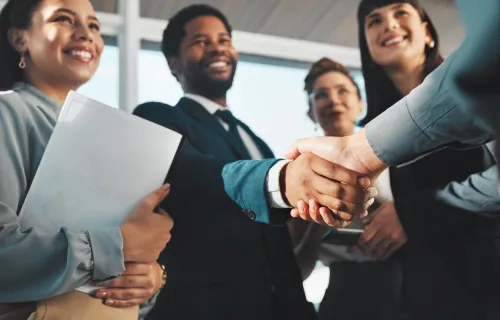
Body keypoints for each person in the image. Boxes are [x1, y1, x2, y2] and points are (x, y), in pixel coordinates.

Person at [132, 5, 377, 320]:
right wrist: (282, 180)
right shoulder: (157, 116)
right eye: (200, 41)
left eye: (223, 39)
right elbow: (191, 173)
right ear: (174, 63)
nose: (217, 47)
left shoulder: (255, 140)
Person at [0, 0, 174, 319]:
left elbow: (127, 259)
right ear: (19, 39)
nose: (85, 34)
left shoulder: (107, 136)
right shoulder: (6, 113)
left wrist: (148, 279)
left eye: (94, 26)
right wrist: (117, 246)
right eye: (64, 19)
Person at [288, 57, 400, 320]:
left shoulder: (394, 154)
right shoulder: (299, 174)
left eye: (343, 90)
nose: (334, 100)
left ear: (360, 103)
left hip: (408, 280)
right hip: (343, 295)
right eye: (321, 95)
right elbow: (297, 271)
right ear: (310, 112)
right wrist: (316, 226)